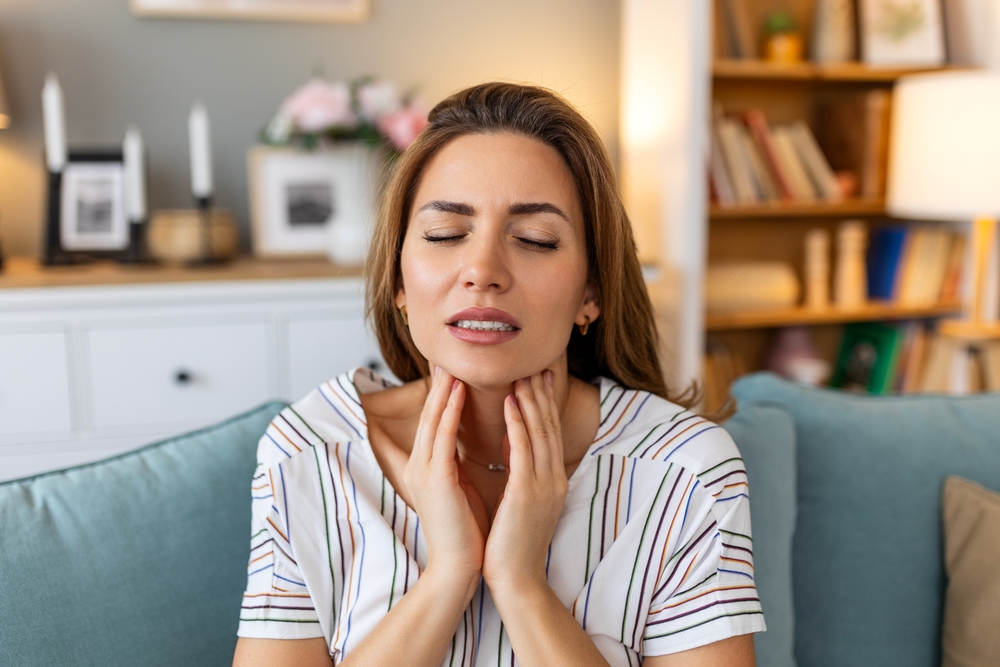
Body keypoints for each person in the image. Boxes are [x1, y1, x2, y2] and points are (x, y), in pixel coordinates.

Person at [233, 82, 764, 667]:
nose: (482, 270)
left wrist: (521, 584)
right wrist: (448, 575)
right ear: (400, 282)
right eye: (445, 235)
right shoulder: (308, 454)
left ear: (592, 291)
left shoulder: (687, 473)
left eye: (535, 240)